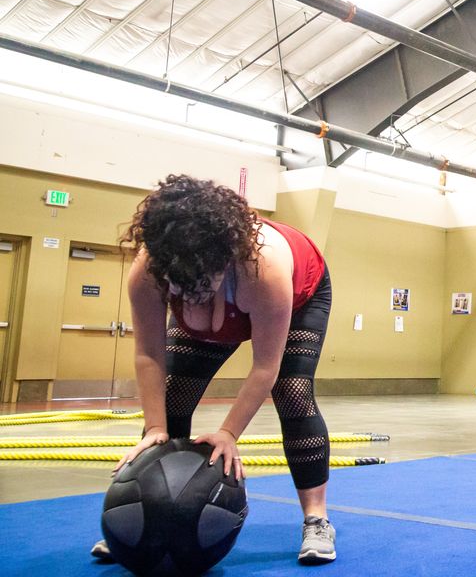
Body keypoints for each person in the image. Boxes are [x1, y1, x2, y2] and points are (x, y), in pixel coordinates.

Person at [91, 174, 337, 565]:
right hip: (226, 303)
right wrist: (155, 428)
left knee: (292, 393)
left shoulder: (263, 269)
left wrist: (228, 433)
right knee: (171, 396)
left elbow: (263, 368)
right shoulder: (149, 271)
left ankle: (317, 519)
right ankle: (149, 522)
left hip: (303, 291)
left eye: (202, 283)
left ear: (226, 258)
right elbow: (148, 355)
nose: (191, 294)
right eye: (182, 286)